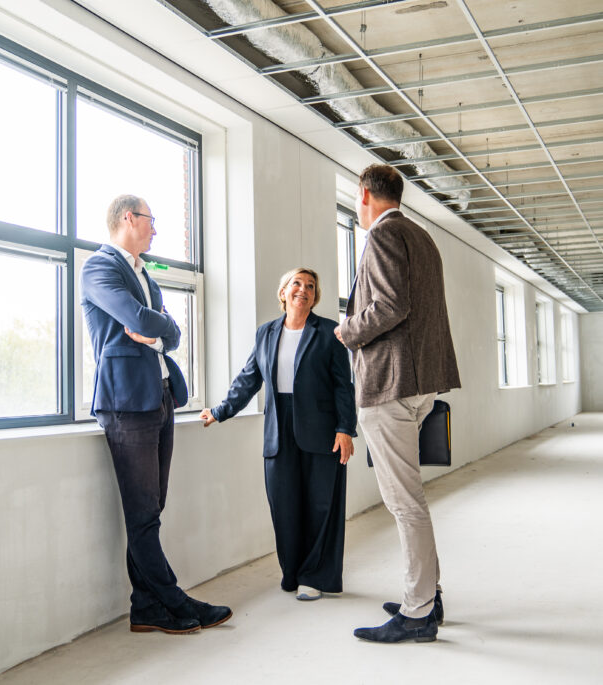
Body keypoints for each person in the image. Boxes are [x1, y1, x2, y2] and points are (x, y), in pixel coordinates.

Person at [81, 194, 232, 635]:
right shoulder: (100, 267)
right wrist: (155, 326)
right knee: (143, 512)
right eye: (151, 220)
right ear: (128, 218)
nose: (155, 229)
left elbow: (170, 331)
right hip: (126, 402)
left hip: (160, 396)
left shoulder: (144, 273)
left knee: (152, 509)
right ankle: (173, 598)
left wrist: (157, 331)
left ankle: (145, 606)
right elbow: (137, 319)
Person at [335, 164, 461, 643]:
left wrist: (347, 331)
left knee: (405, 503)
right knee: (411, 500)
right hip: (420, 381)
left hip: (390, 384)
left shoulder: (383, 236)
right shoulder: (422, 237)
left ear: (365, 194)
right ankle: (427, 592)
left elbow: (389, 306)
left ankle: (418, 611)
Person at [200, 268, 357, 600]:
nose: (304, 289)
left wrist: (346, 429)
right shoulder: (266, 333)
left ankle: (315, 576)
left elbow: (344, 386)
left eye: (311, 286)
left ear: (315, 296)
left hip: (322, 429)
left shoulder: (329, 332)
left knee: (320, 505)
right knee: (284, 505)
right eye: (296, 284)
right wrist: (220, 411)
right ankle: (293, 571)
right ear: (283, 292)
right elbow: (249, 378)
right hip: (279, 429)